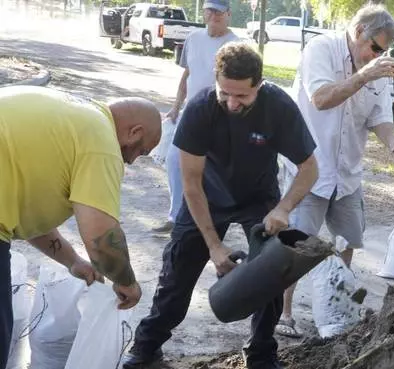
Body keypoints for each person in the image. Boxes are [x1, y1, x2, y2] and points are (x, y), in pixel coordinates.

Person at [122, 43, 318, 369]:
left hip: (258, 196)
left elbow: (310, 168)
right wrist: (214, 245)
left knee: (271, 271)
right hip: (207, 196)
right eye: (225, 92)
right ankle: (146, 346)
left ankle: (260, 352)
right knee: (177, 275)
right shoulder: (200, 108)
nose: (231, 102)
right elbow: (191, 184)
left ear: (259, 84)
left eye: (242, 96)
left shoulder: (278, 107)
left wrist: (283, 208)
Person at [0, 86, 161, 368]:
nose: (133, 160)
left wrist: (73, 261)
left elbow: (29, 209)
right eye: (142, 151)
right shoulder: (101, 141)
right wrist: (126, 282)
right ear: (134, 132)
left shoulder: (74, 118)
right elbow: (100, 232)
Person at [277, 4, 394, 339]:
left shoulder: (375, 68)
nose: (377, 55)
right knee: (297, 244)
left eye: (384, 51)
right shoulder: (321, 49)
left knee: (346, 242)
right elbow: (320, 99)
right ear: (359, 31)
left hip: (347, 174)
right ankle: (284, 314)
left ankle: (333, 310)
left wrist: (393, 141)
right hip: (310, 168)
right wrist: (364, 75)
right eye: (375, 47)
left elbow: (379, 116)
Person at [152, 0, 239, 234]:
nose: (214, 16)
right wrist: (176, 105)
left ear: (228, 15)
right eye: (210, 11)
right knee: (173, 161)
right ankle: (176, 217)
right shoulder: (193, 38)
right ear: (204, 13)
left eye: (219, 12)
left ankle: (209, 223)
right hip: (190, 113)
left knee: (211, 170)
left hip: (220, 117)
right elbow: (187, 75)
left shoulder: (236, 45)